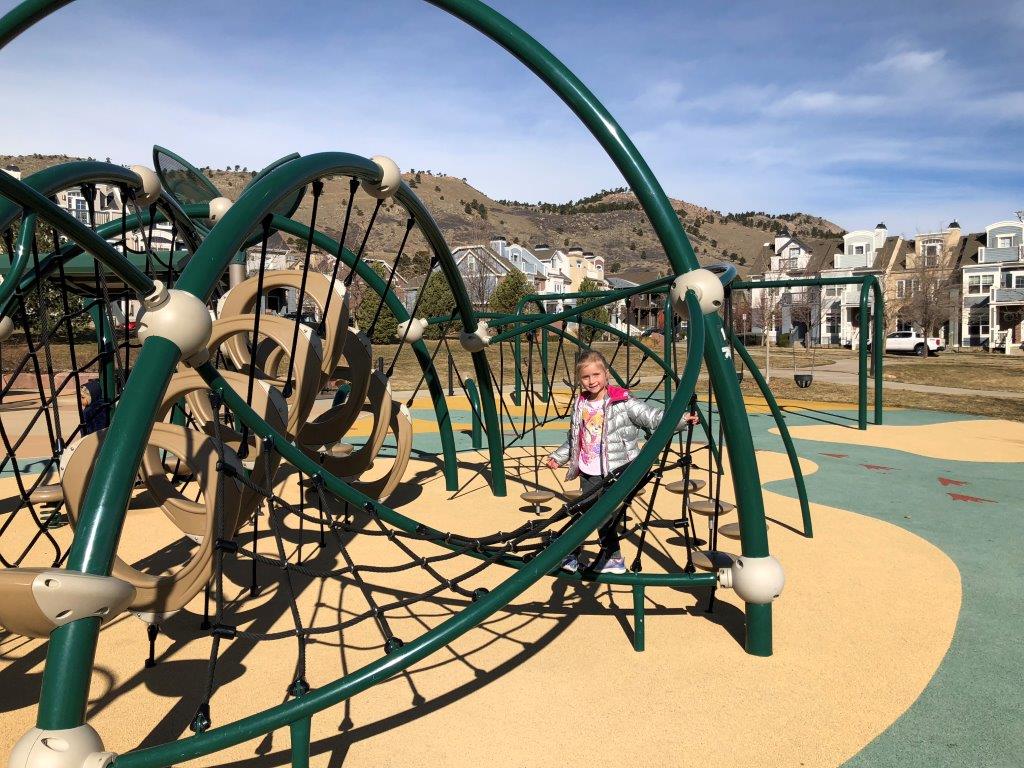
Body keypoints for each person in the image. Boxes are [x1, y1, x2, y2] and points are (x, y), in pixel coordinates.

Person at [546, 350, 698, 574]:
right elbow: (575, 438)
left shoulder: (623, 401)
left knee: (594, 513)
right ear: (579, 380)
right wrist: (558, 457)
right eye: (586, 377)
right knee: (590, 514)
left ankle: (580, 552)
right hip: (589, 470)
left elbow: (653, 418)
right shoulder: (581, 404)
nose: (592, 381)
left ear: (606, 374)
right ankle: (603, 556)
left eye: (596, 374)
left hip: (616, 470)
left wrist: (681, 419)